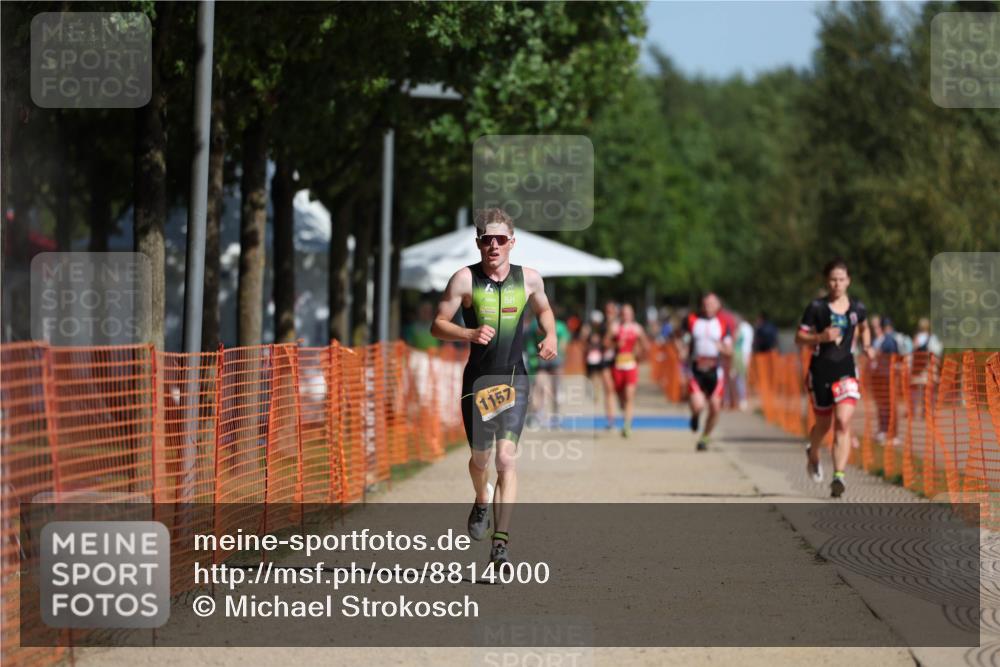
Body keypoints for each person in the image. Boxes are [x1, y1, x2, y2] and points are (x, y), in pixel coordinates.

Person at [431, 208, 557, 567]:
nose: (494, 245)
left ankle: (500, 541)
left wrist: (549, 334)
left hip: (515, 379)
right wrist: (468, 333)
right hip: (478, 382)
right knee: (480, 460)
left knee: (506, 459)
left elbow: (545, 310)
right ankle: (481, 500)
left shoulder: (529, 279)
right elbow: (438, 325)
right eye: (488, 239)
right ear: (478, 242)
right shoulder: (463, 280)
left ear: (512, 243)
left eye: (501, 239)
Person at [795, 258, 875, 498]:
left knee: (842, 421)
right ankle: (814, 452)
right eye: (832, 279)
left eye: (841, 279)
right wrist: (820, 337)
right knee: (823, 425)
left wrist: (868, 345)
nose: (837, 284)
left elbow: (864, 327)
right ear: (826, 281)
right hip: (820, 371)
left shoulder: (857, 308)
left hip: (846, 370)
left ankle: (838, 476)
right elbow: (800, 338)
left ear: (848, 281)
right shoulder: (816, 307)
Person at [682, 293, 733, 451]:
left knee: (715, 407)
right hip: (696, 369)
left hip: (714, 371)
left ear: (718, 306)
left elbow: (729, 351)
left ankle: (705, 437)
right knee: (698, 405)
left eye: (711, 304)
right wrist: (682, 350)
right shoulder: (691, 320)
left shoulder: (723, 323)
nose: (708, 307)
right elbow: (682, 339)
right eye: (705, 304)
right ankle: (695, 416)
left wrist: (722, 349)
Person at [603, 303, 650, 438]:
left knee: (629, 395)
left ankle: (627, 426)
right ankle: (624, 411)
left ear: (632, 314)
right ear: (621, 314)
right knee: (621, 397)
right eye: (623, 313)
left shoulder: (637, 328)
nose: (626, 316)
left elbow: (646, 345)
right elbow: (605, 342)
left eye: (628, 313)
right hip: (617, 366)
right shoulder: (615, 327)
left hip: (631, 365)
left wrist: (639, 353)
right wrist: (615, 344)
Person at [869, 314, 899, 445]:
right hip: (879, 376)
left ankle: (892, 433)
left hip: (888, 376)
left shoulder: (889, 339)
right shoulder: (878, 340)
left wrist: (877, 353)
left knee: (889, 404)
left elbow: (887, 353)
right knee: (882, 405)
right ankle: (884, 430)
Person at [910, 317, 942, 419]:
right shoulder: (932, 337)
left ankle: (914, 411)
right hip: (928, 366)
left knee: (916, 390)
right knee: (929, 391)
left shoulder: (917, 338)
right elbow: (937, 353)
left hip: (918, 367)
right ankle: (927, 411)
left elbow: (912, 351)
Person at [599, 301, 620, 430]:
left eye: (612, 310)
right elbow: (604, 342)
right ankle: (611, 420)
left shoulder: (621, 325)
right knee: (609, 390)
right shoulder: (602, 326)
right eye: (607, 311)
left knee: (618, 390)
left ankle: (622, 407)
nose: (609, 313)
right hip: (605, 361)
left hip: (620, 361)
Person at [730, 315, 754, 412]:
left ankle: (741, 400)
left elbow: (736, 340)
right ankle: (740, 400)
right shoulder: (749, 328)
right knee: (740, 378)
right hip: (744, 355)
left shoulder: (741, 328)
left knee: (739, 378)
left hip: (739, 355)